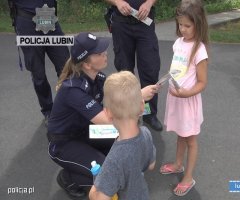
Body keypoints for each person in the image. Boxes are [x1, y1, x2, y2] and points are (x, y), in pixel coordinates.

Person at [47, 32, 159, 199]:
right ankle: (68, 178)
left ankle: (92, 167)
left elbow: (115, 105)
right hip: (64, 143)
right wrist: (138, 96)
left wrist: (137, 103)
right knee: (102, 172)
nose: (105, 54)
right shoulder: (73, 89)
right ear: (86, 64)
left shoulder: (98, 78)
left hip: (88, 132)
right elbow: (108, 120)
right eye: (99, 53)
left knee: (121, 144)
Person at [159, 0, 209, 196]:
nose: (183, 29)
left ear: (199, 24)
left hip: (188, 101)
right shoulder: (178, 43)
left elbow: (202, 82)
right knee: (181, 133)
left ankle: (188, 177)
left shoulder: (200, 49)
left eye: (188, 25)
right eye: (180, 24)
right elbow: (177, 69)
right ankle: (178, 164)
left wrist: (186, 93)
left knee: (190, 139)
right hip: (176, 98)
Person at [89, 71, 156, 200]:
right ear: (142, 106)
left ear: (108, 113)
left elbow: (99, 198)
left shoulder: (114, 159)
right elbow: (151, 165)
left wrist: (93, 191)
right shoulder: (147, 134)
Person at [8, 0, 70, 126]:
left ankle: (70, 106)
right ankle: (48, 110)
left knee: (67, 67)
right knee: (38, 74)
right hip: (26, 20)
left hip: (48, 16)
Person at [104, 0, 163, 131]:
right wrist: (117, 2)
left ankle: (148, 114)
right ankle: (129, 115)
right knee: (125, 73)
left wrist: (149, 3)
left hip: (145, 24)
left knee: (150, 70)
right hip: (121, 24)